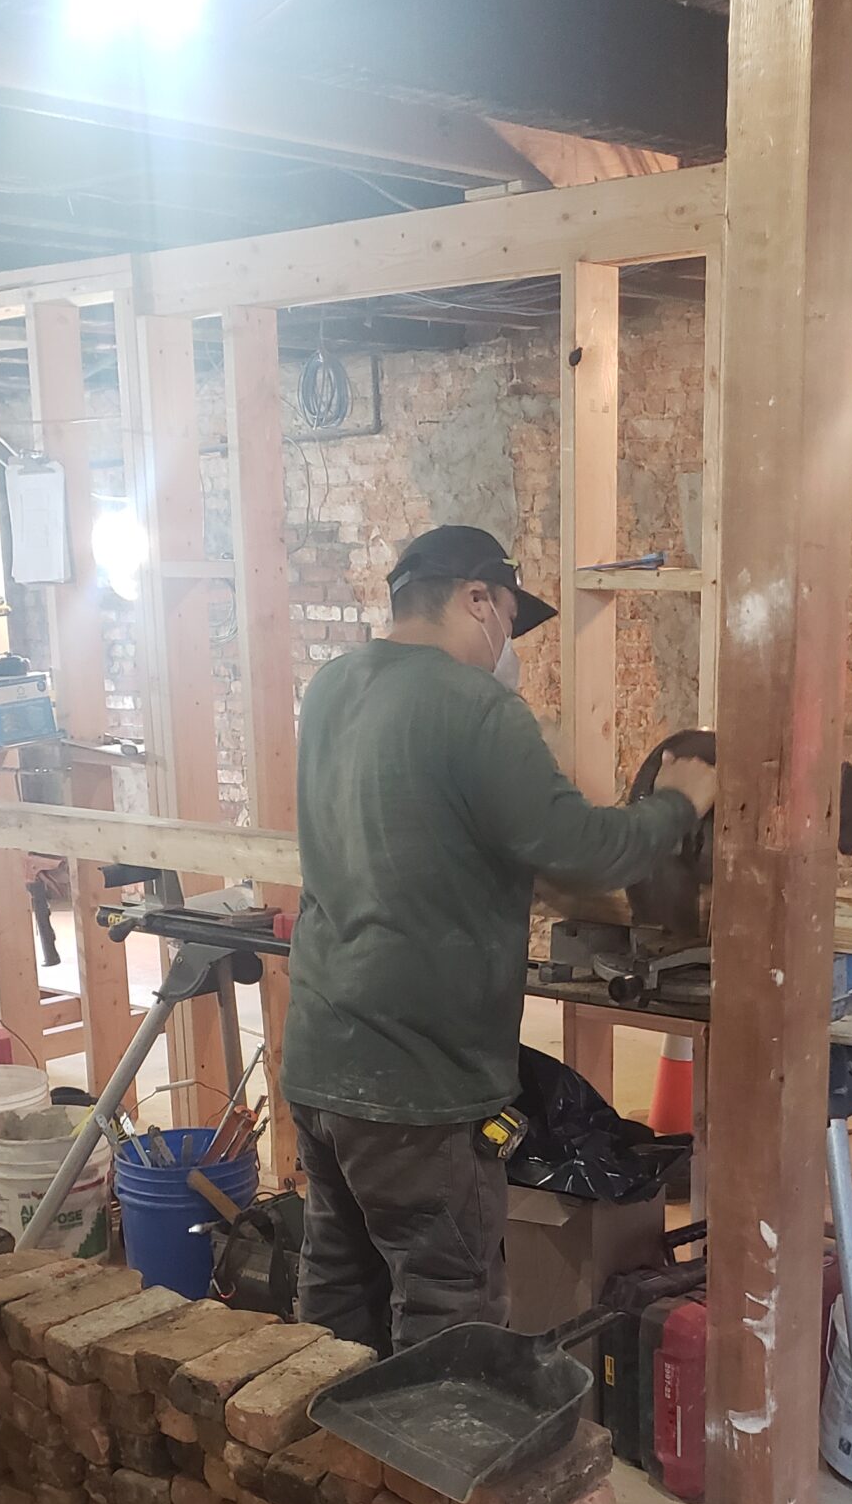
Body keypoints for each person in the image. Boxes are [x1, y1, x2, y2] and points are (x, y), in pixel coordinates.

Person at [279, 523, 716, 1355]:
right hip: (418, 1083)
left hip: (322, 1058)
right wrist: (681, 802)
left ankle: (318, 1435)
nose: (510, 646)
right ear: (478, 598)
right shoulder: (476, 707)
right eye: (511, 620)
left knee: (338, 1290)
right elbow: (585, 851)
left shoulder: (332, 687)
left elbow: (427, 827)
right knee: (449, 1306)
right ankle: (436, 1448)